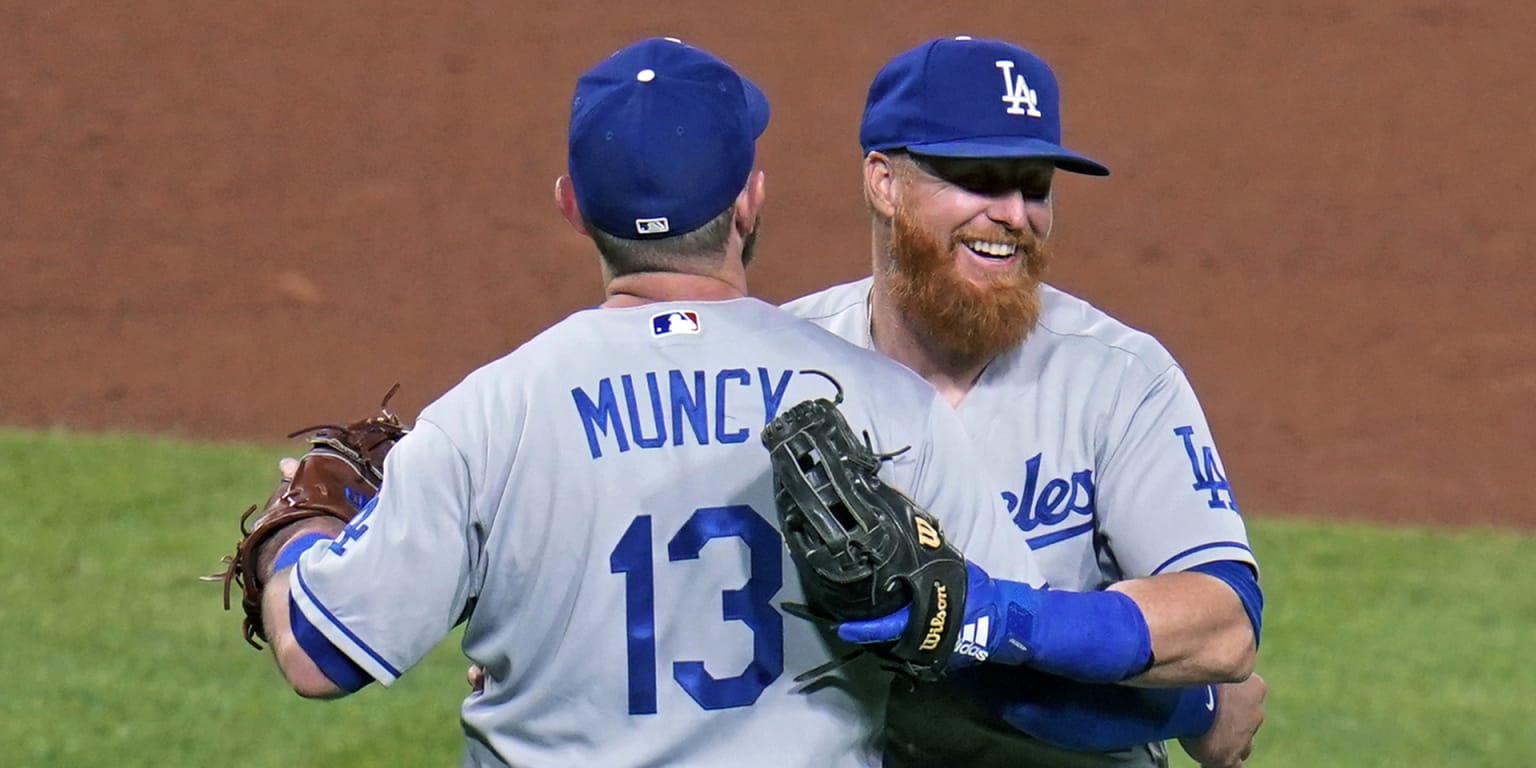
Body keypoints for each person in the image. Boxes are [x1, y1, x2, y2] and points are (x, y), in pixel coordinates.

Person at [245, 36, 1049, 767]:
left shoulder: (486, 419)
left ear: (572, 205)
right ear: (748, 199)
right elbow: (1028, 653)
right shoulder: (884, 404)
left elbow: (316, 657)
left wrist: (299, 535)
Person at [780, 36, 1266, 767]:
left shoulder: (1117, 375)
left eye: (1034, 184)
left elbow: (1225, 625)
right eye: (978, 178)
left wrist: (993, 617)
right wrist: (1188, 705)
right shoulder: (782, 364)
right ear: (883, 182)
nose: (1013, 214)